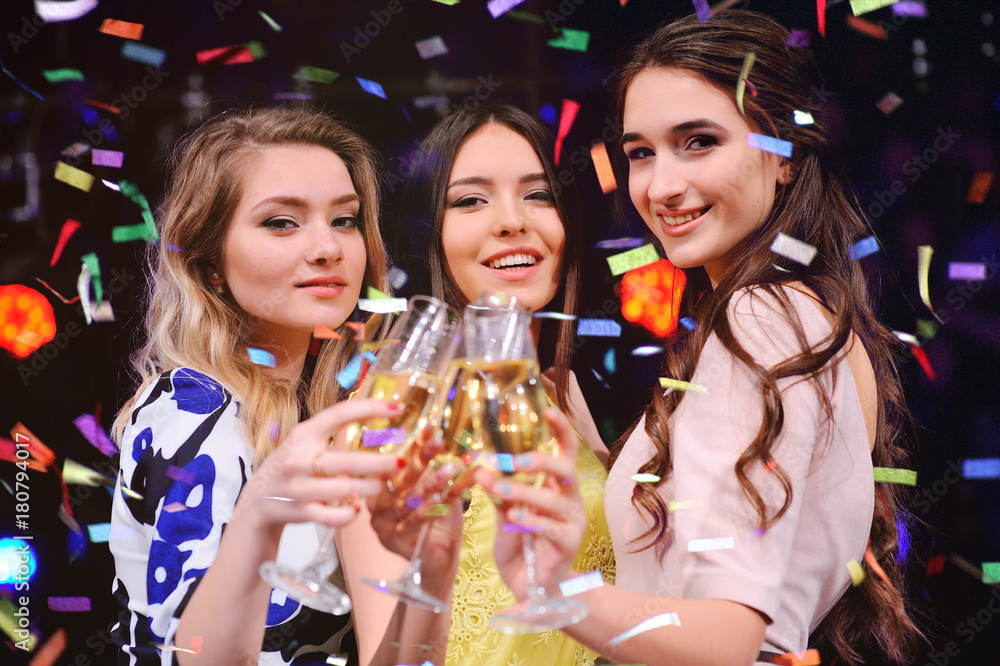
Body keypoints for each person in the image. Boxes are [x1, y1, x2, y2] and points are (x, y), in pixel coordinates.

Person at [481, 10, 924, 665]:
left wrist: (551, 586)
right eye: (640, 153)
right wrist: (604, 461)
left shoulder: (762, 320)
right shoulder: (808, 315)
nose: (662, 186)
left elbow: (725, 639)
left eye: (698, 142)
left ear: (784, 157)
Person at [108, 106, 440, 665]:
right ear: (210, 264)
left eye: (344, 219)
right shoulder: (193, 415)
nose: (328, 248)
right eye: (282, 222)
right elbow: (190, 657)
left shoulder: (319, 403)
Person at [358, 103, 616, 666]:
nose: (511, 221)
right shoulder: (399, 403)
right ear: (433, 230)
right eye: (470, 200)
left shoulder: (560, 389)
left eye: (539, 194)